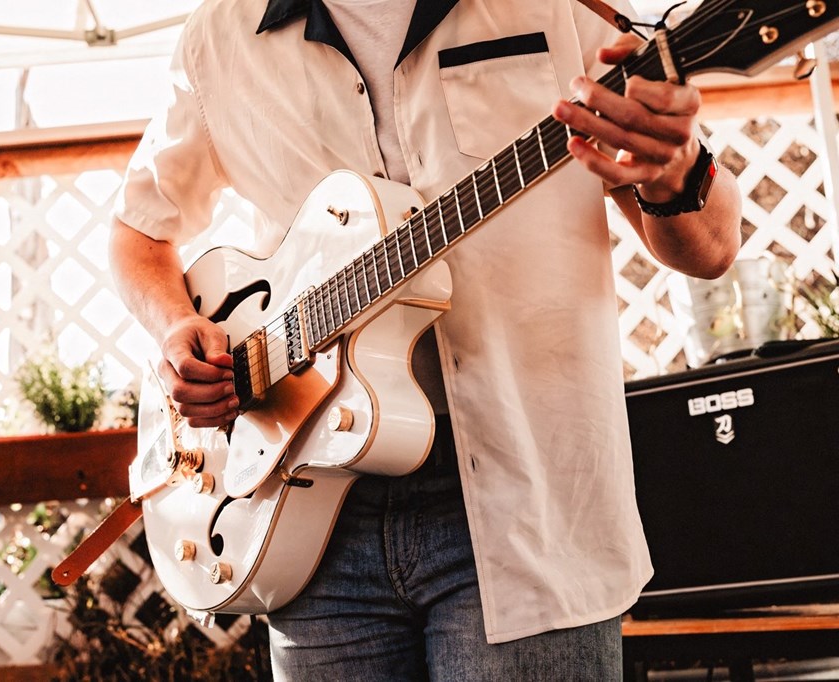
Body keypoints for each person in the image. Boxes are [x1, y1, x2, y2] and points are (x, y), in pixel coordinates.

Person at [109, 0, 742, 678]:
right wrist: (176, 324)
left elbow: (711, 249)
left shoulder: (562, 6)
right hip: (308, 510)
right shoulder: (220, 34)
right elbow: (138, 229)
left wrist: (675, 175)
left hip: (529, 501)